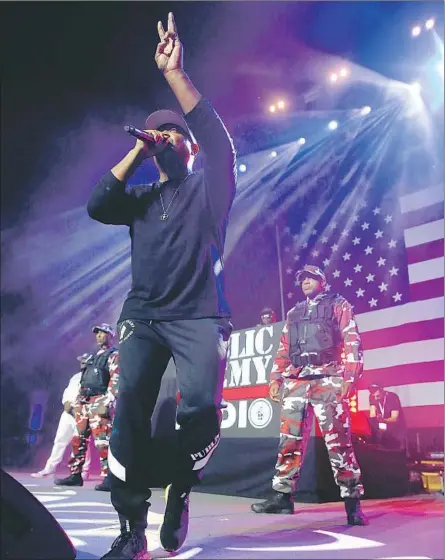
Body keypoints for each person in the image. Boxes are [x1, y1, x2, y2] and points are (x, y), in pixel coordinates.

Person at [87, 13, 236, 560]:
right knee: (127, 406)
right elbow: (98, 204)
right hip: (144, 315)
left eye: (175, 131)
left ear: (189, 145)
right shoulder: (143, 201)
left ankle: (181, 491)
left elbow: (217, 140)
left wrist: (176, 76)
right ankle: (131, 530)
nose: (166, 136)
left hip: (199, 313)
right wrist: (138, 152)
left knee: (199, 409)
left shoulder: (210, 187)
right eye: (160, 131)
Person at [251, 264, 368, 526]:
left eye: (310, 278)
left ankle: (352, 503)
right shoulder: (294, 313)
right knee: (289, 441)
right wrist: (275, 378)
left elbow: (352, 340)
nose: (304, 281)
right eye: (301, 278)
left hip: (328, 378)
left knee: (338, 442)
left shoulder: (338, 305)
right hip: (296, 381)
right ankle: (282, 498)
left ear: (322, 281)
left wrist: (350, 376)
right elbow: (283, 348)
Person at [55, 323, 119, 491]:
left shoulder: (114, 355)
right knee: (78, 439)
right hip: (84, 401)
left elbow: (116, 379)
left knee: (103, 441)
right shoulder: (91, 356)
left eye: (103, 333)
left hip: (99, 400)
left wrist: (108, 401)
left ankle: (109, 477)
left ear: (111, 336)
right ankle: (75, 474)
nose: (98, 336)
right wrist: (76, 400)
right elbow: (82, 379)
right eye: (97, 333)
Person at [31, 354, 92, 480]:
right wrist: (66, 404)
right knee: (59, 441)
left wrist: (80, 409)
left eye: (85, 362)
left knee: (82, 442)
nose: (82, 364)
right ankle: (50, 469)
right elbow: (67, 392)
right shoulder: (75, 377)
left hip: (82, 414)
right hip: (68, 414)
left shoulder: (94, 378)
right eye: (81, 362)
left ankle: (83, 470)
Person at [368, 384, 406, 450]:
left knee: (395, 449)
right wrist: (374, 420)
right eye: (374, 396)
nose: (375, 398)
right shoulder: (372, 397)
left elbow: (395, 418)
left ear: (382, 391)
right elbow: (372, 414)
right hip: (384, 426)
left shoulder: (392, 397)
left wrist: (382, 420)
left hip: (396, 429)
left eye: (378, 396)